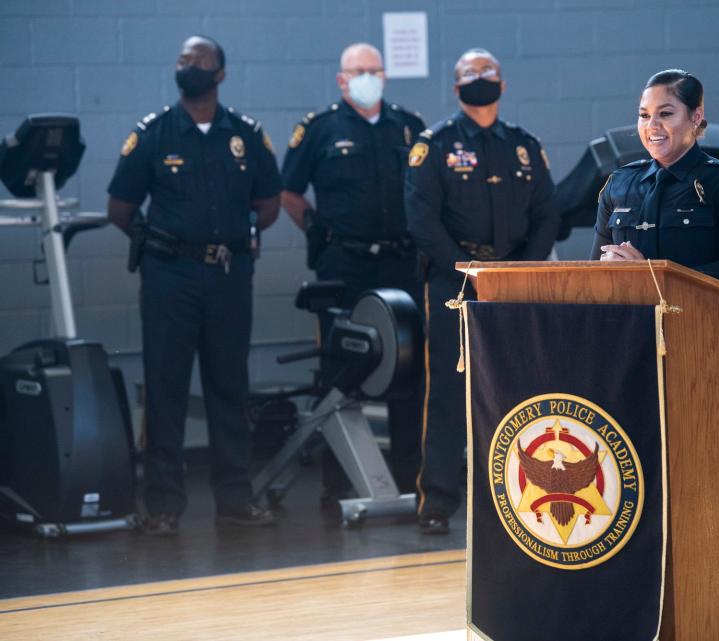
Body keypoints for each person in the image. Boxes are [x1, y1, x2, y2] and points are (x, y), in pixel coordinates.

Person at [592, 69, 719, 641]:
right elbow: (595, 273)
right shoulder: (618, 185)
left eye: (666, 113)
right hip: (638, 362)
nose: (653, 126)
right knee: (647, 501)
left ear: (697, 118)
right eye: (645, 114)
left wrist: (648, 274)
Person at [106, 35, 282, 534]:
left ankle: (234, 497)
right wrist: (159, 244)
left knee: (229, 386)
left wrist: (243, 236)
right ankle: (163, 505)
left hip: (228, 275)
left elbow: (268, 204)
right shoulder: (154, 134)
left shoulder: (245, 135)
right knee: (166, 388)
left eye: (200, 61)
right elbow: (119, 209)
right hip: (169, 279)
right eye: (183, 60)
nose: (190, 67)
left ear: (220, 74)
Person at [405, 48, 560, 534]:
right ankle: (437, 502)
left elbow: (547, 214)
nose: (479, 78)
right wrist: (468, 269)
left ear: (503, 83)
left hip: (514, 282)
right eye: (469, 74)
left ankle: (513, 495)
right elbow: (421, 219)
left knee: (515, 390)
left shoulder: (523, 146)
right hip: (454, 281)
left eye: (487, 72)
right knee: (448, 392)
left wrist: (523, 269)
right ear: (455, 88)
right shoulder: (435, 146)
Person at [281, 43, 426, 495]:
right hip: (344, 264)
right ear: (342, 80)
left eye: (374, 70)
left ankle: (410, 479)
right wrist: (316, 229)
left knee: (407, 369)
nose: (368, 77)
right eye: (359, 71)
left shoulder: (409, 126)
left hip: (400, 263)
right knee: (342, 370)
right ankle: (338, 487)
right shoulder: (319, 129)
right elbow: (288, 192)